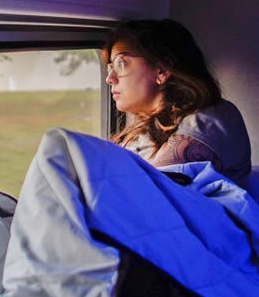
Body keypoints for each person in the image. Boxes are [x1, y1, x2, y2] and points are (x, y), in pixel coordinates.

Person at [103, 18, 251, 188]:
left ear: (162, 70)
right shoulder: (144, 128)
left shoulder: (209, 119)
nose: (110, 78)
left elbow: (147, 194)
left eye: (121, 64)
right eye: (109, 67)